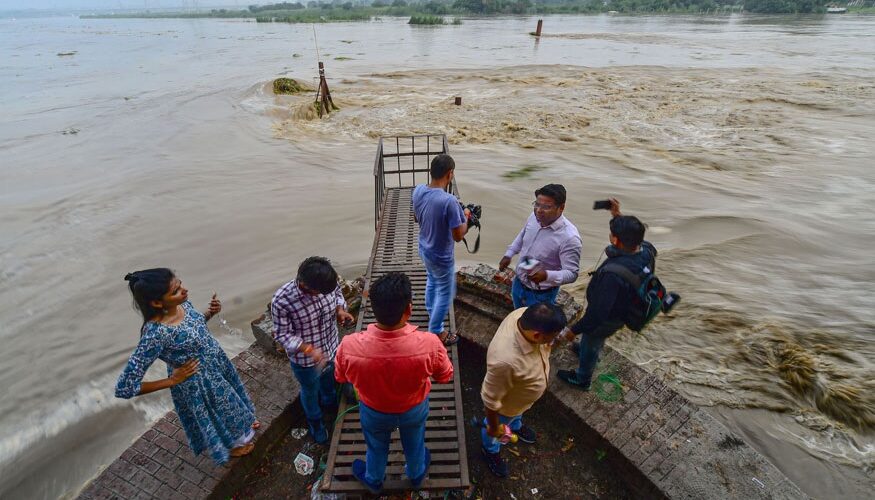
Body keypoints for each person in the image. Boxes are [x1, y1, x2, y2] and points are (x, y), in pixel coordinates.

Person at [115, 268, 258, 464]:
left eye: (180, 284)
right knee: (221, 414)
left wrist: (210, 313)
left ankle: (244, 425)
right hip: (199, 382)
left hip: (217, 364)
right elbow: (125, 387)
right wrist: (172, 380)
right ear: (157, 303)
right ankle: (233, 445)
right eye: (175, 290)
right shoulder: (155, 334)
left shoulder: (184, 303)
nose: (185, 290)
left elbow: (193, 327)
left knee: (233, 402)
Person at [334, 272, 454, 494]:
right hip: (414, 409)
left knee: (376, 446)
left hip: (373, 411)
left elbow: (341, 378)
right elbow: (445, 376)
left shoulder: (348, 345)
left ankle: (373, 479)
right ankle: (417, 475)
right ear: (408, 309)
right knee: (415, 441)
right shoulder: (430, 343)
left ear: (373, 308)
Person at [556, 199, 657, 390]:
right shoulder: (647, 250)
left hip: (608, 317)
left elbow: (597, 315)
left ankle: (582, 378)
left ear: (616, 240)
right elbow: (633, 237)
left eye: (612, 234)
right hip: (624, 309)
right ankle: (591, 349)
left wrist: (571, 331)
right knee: (594, 340)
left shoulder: (613, 276)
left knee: (591, 340)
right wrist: (616, 215)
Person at [271, 256, 355, 444]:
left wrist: (340, 310)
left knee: (329, 382)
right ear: (306, 286)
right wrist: (308, 349)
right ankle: (316, 423)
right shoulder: (282, 300)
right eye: (320, 293)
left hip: (331, 348)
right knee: (309, 391)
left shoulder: (326, 284)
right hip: (305, 362)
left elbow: (338, 295)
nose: (323, 295)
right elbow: (282, 334)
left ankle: (331, 405)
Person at [480, 303, 567, 477]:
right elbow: (490, 398)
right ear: (536, 335)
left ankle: (516, 425)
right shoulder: (505, 361)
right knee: (495, 427)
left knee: (516, 414)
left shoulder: (523, 314)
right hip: (506, 406)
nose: (554, 340)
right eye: (551, 338)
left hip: (519, 399)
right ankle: (490, 449)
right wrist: (493, 426)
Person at [412, 153, 470, 346]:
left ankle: (431, 310)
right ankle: (437, 331)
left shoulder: (418, 190)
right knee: (446, 292)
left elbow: (416, 218)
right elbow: (458, 236)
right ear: (450, 174)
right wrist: (467, 217)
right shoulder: (449, 201)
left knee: (431, 280)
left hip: (424, 248)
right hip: (441, 255)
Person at [499, 183, 582, 309]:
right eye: (537, 204)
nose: (539, 210)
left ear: (561, 208)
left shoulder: (570, 238)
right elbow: (522, 235)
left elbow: (572, 273)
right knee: (517, 314)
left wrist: (547, 276)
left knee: (534, 326)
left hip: (542, 294)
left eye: (546, 207)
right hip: (519, 283)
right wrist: (509, 254)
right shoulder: (534, 217)